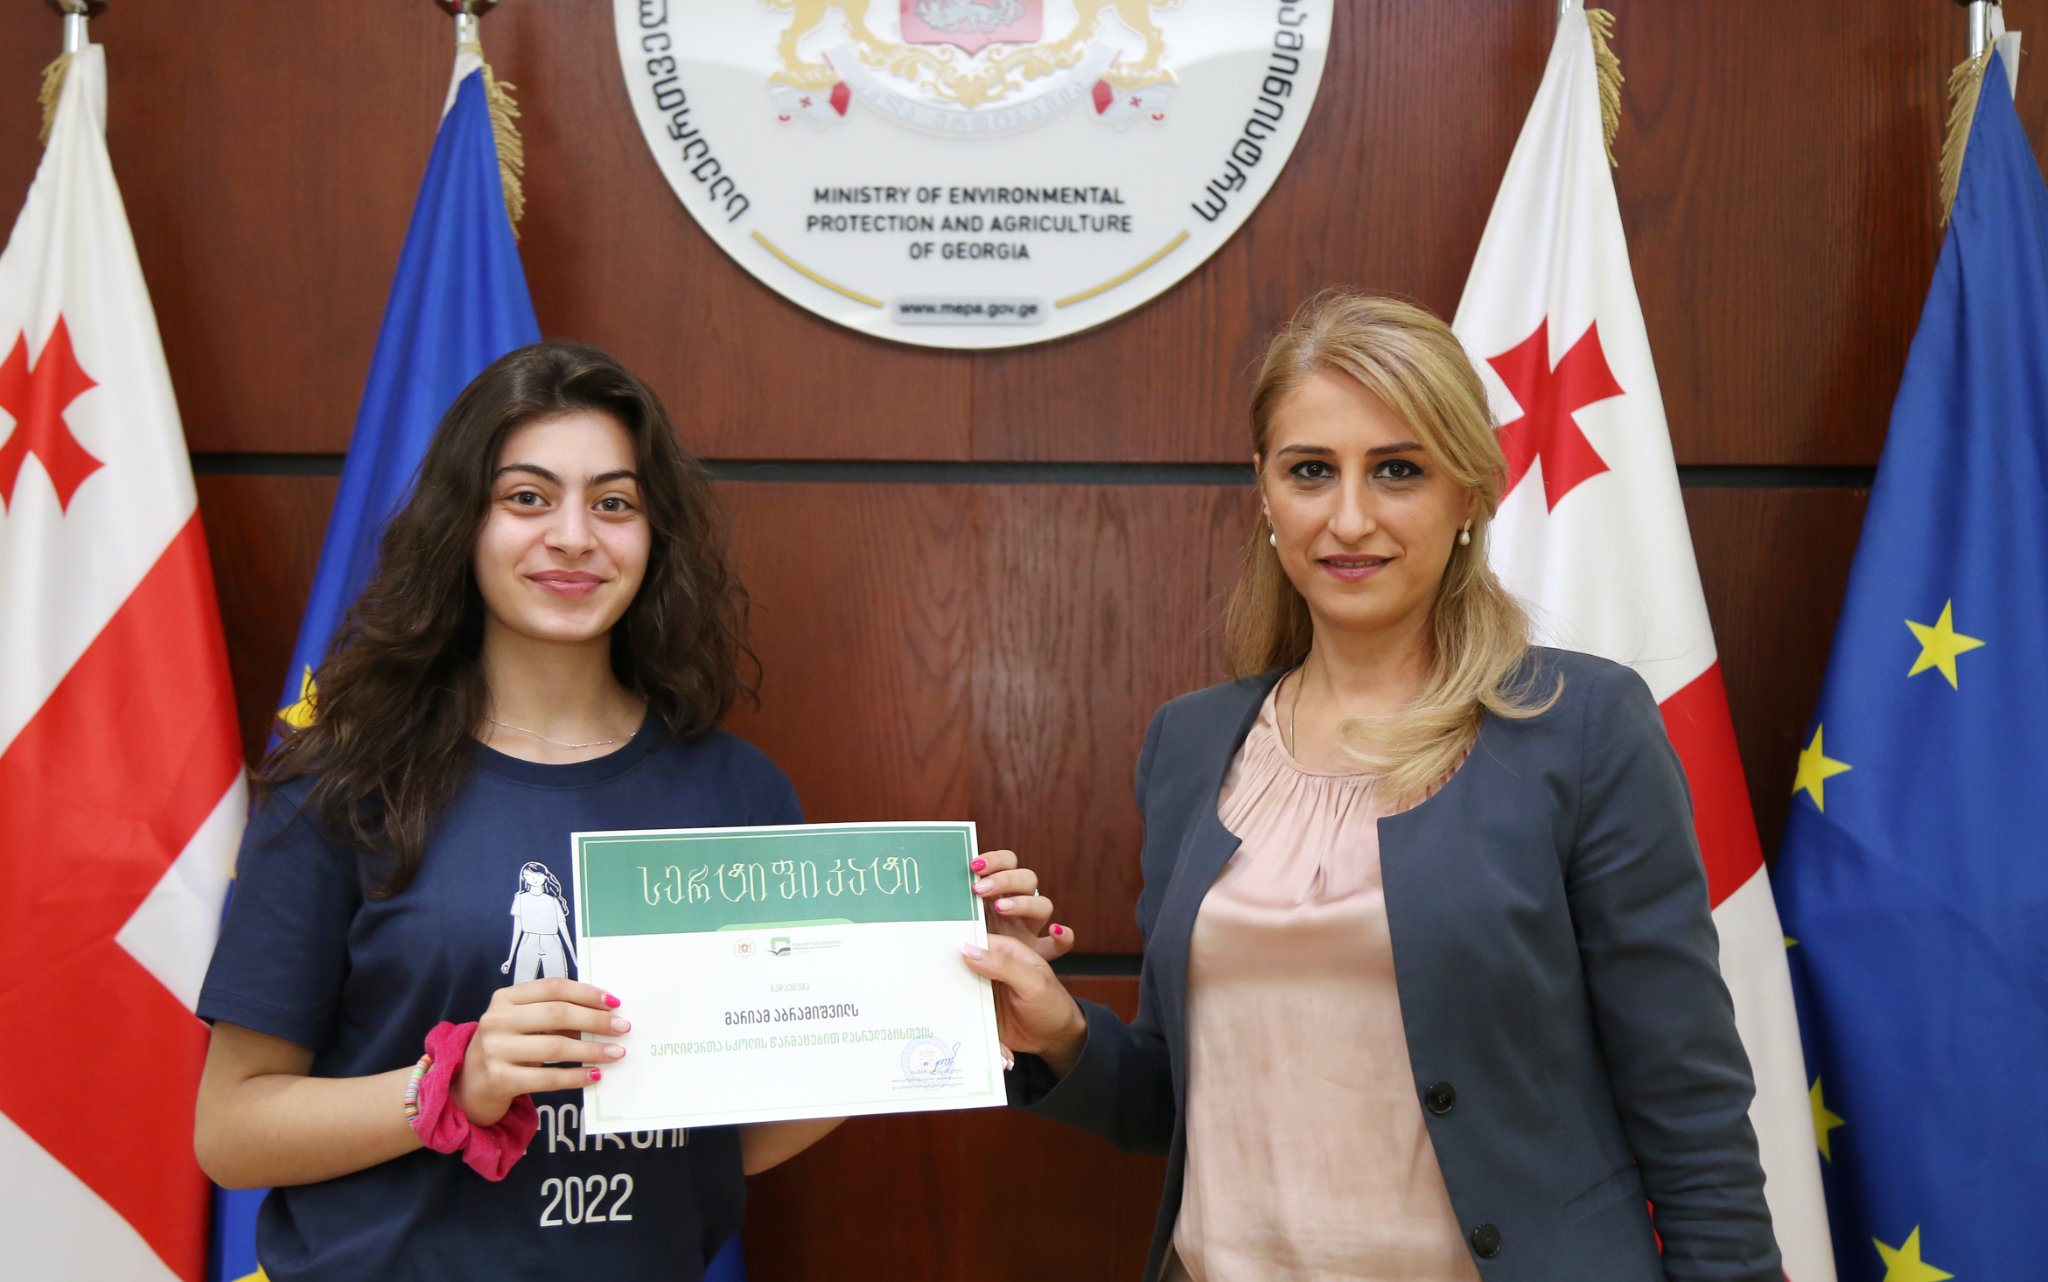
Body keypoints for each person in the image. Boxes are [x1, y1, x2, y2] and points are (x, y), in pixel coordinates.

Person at [962, 294, 1781, 1281]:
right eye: (1310, 470)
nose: (1348, 518)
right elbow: (1186, 1105)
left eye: (1398, 469)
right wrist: (1056, 1028)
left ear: (1470, 491)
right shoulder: (1189, 743)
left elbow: (1690, 1108)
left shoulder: (1581, 726)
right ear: (1265, 492)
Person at [192, 341, 1053, 1279]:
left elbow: (733, 1139)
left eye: (613, 503)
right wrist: (447, 1086)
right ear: (462, 525)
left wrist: (941, 1000)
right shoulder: (345, 784)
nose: (573, 537)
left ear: (654, 536)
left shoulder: (737, 794)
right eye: (528, 498)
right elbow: (231, 1132)